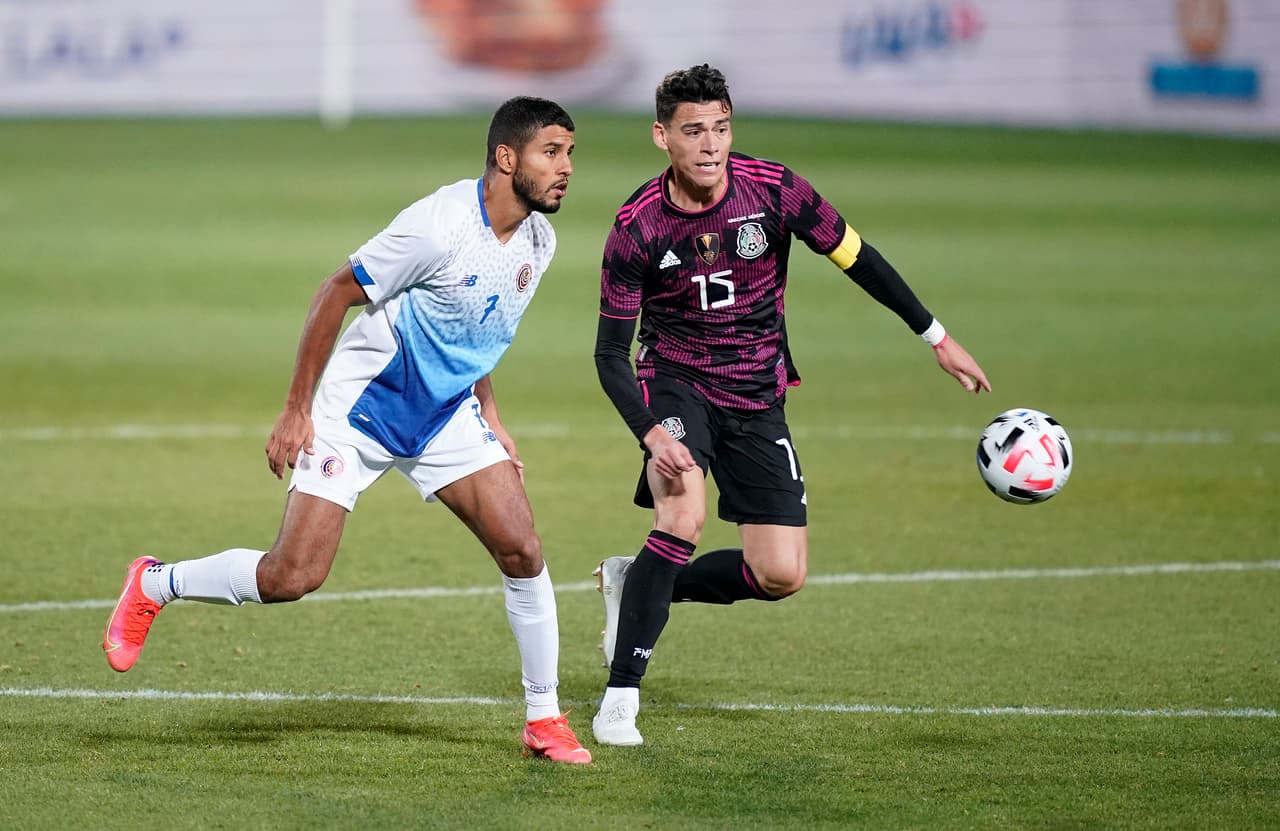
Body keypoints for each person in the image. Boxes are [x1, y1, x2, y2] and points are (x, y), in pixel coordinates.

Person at [102, 96, 591, 764]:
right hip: (359, 409)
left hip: (443, 413)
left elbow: (477, 332)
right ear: (507, 158)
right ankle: (155, 582)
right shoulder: (437, 227)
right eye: (552, 152)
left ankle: (544, 718)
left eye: (570, 154)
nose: (566, 168)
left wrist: (493, 419)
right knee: (291, 575)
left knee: (523, 548)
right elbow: (334, 291)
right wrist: (298, 408)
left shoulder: (540, 240)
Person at [590, 64, 990, 746]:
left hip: (757, 392)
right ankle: (620, 698)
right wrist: (653, 431)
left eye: (720, 127)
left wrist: (936, 336)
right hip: (677, 381)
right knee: (682, 512)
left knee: (779, 573)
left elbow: (858, 256)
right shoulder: (637, 228)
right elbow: (609, 353)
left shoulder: (774, 190)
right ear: (662, 137)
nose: (710, 144)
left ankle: (638, 582)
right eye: (693, 131)